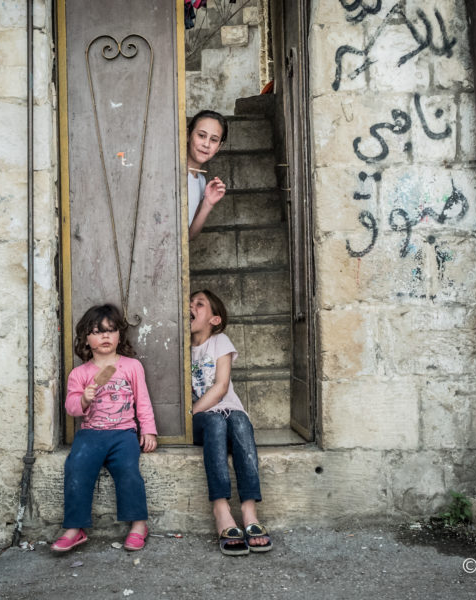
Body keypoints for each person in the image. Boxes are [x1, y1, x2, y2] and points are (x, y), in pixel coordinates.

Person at [52, 304, 158, 553]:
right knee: (76, 466)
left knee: (128, 470)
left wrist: (148, 430)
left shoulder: (131, 367)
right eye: (98, 332)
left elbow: (142, 400)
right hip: (91, 434)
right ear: (86, 339)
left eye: (111, 331)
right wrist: (84, 399)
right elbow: (71, 407)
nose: (105, 336)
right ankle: (74, 528)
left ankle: (139, 524)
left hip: (124, 434)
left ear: (119, 335)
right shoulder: (80, 374)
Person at [189, 289, 273, 556]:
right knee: (214, 422)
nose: (191, 306)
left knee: (239, 421)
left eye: (199, 304)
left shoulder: (219, 341)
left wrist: (192, 411)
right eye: (189, 302)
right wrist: (191, 417)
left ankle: (249, 511)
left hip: (223, 411)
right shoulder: (180, 345)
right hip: (204, 421)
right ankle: (221, 509)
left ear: (214, 320)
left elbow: (221, 386)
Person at [187, 110, 228, 241]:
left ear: (219, 147)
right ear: (188, 135)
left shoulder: (201, 181)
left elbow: (188, 236)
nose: (206, 144)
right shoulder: (170, 171)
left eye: (214, 140)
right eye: (201, 135)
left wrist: (208, 203)